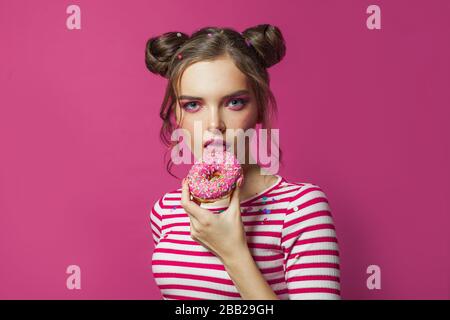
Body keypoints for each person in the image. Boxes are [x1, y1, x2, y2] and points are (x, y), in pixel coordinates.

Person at [145, 25, 341, 300]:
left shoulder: (299, 209)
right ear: (176, 115)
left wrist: (232, 252)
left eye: (234, 102)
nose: (215, 124)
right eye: (193, 105)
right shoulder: (166, 211)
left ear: (258, 107)